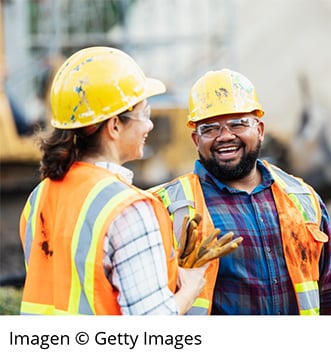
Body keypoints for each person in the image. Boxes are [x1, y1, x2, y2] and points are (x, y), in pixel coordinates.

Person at [18, 46, 208, 315]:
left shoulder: (39, 197)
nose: (149, 125)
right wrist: (190, 287)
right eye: (144, 114)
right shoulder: (130, 209)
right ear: (114, 125)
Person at [150, 68, 331, 315]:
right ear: (195, 140)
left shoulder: (302, 197)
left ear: (260, 130)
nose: (224, 136)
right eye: (210, 128)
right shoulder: (166, 207)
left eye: (238, 124)